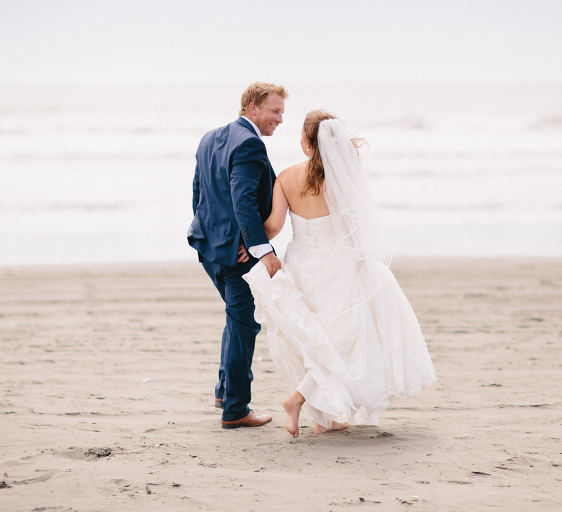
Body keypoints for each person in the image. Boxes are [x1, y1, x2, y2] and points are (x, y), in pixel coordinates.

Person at [243, 110, 437, 438]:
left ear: (306, 143)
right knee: (339, 342)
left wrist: (249, 241)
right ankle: (299, 400)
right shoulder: (340, 179)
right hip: (336, 267)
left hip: (301, 264)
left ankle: (326, 417)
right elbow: (352, 231)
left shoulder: (287, 177)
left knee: (314, 339)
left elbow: (274, 227)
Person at [187, 82, 288, 429]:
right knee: (245, 324)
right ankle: (236, 408)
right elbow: (242, 198)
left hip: (208, 245)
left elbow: (199, 193)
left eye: (282, 113)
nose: (279, 119)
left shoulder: (209, 137)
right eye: (274, 111)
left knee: (236, 318)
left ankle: (223, 390)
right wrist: (263, 250)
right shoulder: (248, 143)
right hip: (235, 254)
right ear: (251, 107)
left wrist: (211, 231)